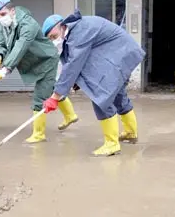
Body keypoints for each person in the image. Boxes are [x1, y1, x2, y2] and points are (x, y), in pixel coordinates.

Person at [41, 9, 145, 157]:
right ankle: (130, 133)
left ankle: (111, 144)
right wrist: (76, 82)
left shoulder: (79, 32)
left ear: (62, 26)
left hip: (120, 55)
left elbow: (73, 64)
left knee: (100, 95)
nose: (54, 40)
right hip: (118, 55)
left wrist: (55, 96)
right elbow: (81, 61)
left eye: (54, 36)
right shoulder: (75, 30)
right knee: (117, 94)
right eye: (50, 39)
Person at [0, 0, 78, 143]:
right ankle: (70, 115)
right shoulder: (5, 26)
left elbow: (21, 46)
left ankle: (39, 134)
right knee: (52, 88)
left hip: (46, 60)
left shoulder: (28, 24)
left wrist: (5, 69)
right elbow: (1, 42)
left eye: (3, 14)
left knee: (39, 98)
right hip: (35, 61)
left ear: (12, 11)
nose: (1, 18)